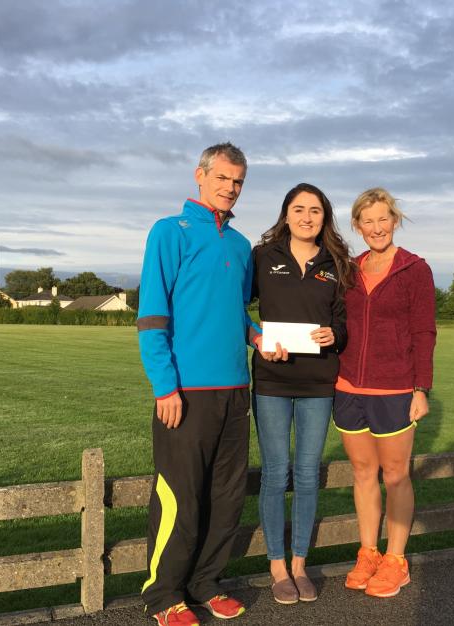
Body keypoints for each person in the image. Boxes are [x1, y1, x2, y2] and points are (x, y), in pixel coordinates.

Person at [136, 143, 263, 626]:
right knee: (180, 496)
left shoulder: (239, 244)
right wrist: (164, 386)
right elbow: (152, 315)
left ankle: (206, 584)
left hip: (235, 392)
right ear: (200, 176)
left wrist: (260, 339)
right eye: (224, 178)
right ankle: (163, 595)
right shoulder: (170, 232)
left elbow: (236, 314)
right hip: (185, 394)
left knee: (227, 496)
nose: (231, 188)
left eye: (238, 182)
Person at [251, 183, 353, 605]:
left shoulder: (337, 263)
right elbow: (235, 308)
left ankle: (299, 564)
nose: (307, 217)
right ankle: (276, 566)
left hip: (317, 384)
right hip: (272, 382)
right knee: (276, 474)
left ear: (325, 217)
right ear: (286, 214)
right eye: (299, 209)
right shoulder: (262, 257)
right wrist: (256, 338)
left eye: (315, 210)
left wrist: (335, 334)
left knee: (308, 474)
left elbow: (344, 325)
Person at [333, 187, 436, 598]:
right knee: (362, 474)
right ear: (357, 226)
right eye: (367, 221)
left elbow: (424, 332)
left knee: (395, 475)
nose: (376, 228)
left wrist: (421, 389)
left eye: (383, 219)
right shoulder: (349, 270)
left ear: (395, 221)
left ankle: (396, 560)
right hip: (347, 389)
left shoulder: (415, 269)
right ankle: (369, 552)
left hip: (394, 389)